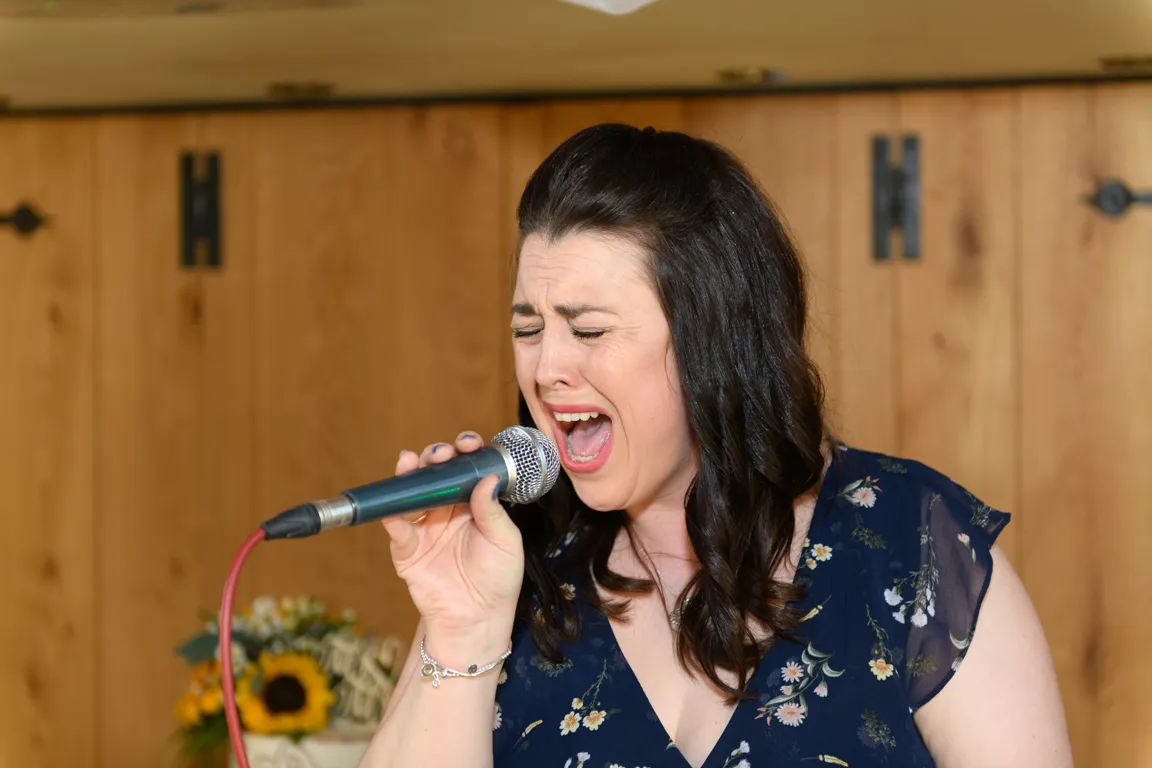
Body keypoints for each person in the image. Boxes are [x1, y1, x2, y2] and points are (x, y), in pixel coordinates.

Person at [358, 123, 1072, 768]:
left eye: (589, 330)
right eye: (528, 330)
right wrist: (462, 632)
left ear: (715, 339)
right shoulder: (514, 567)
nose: (546, 369)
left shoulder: (914, 546)